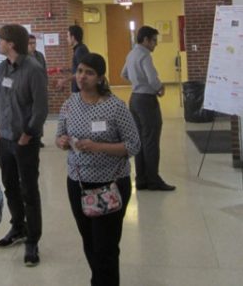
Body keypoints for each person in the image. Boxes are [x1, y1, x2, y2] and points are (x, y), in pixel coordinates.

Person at [55, 53, 140, 286]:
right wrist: (62, 142)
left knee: (106, 247)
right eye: (80, 71)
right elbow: (58, 136)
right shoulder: (70, 104)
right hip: (78, 184)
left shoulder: (115, 107)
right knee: (90, 242)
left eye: (89, 73)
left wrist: (98, 146)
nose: (82, 77)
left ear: (100, 78)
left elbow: (133, 145)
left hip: (110, 185)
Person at [0, 24, 48, 266]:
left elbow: (41, 107)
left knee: (29, 190)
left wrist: (29, 133)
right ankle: (18, 226)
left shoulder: (33, 69)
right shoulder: (3, 67)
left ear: (11, 43)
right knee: (10, 186)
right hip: (4, 140)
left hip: (24, 141)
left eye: (0, 40)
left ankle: (33, 239)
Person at [121, 25, 176, 191]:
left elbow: (123, 74)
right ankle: (153, 180)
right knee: (151, 141)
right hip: (147, 101)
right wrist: (160, 88)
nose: (155, 44)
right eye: (154, 40)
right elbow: (152, 79)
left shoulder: (131, 54)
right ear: (145, 40)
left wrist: (137, 82)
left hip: (135, 99)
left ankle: (141, 179)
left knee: (139, 141)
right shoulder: (145, 56)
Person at [56, 25, 89, 92]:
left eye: (68, 36)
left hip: (80, 89)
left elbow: (82, 72)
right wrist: (68, 70)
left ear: (73, 37)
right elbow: (79, 68)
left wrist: (63, 81)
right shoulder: (80, 48)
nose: (67, 39)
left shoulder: (79, 50)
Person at [28, 34, 47, 149]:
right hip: (28, 91)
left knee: (39, 115)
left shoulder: (39, 56)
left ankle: (38, 137)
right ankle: (30, 137)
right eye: (29, 43)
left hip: (39, 90)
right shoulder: (23, 57)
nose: (32, 45)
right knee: (29, 116)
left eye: (34, 43)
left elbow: (44, 72)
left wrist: (45, 86)